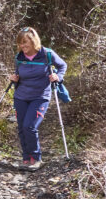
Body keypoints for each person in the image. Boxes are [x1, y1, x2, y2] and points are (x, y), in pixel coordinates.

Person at [8, 27, 66, 171]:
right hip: (21, 96)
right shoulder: (19, 57)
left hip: (40, 97)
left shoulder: (47, 54)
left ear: (34, 41)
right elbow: (18, 74)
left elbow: (62, 65)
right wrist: (14, 78)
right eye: (20, 43)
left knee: (30, 126)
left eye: (25, 43)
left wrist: (58, 76)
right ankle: (26, 159)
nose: (23, 46)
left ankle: (36, 158)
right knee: (22, 127)